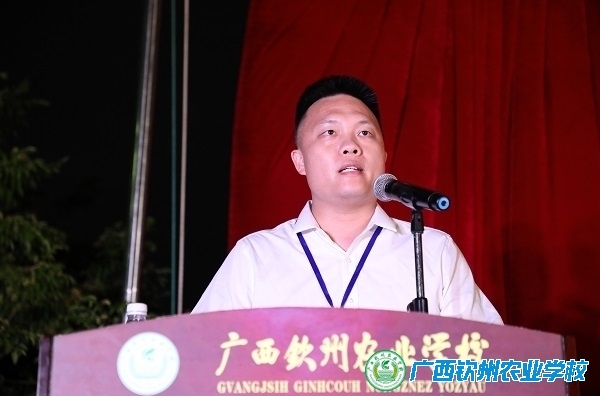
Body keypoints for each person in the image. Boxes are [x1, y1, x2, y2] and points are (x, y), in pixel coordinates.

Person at [192, 75, 503, 325]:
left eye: (365, 133)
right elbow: (199, 358)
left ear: (383, 157)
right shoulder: (255, 257)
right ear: (300, 161)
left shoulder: (432, 252)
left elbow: (490, 360)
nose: (351, 146)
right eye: (329, 132)